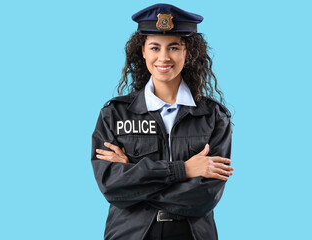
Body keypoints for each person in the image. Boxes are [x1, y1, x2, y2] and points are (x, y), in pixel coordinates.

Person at [91, 3, 234, 240]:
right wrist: (184, 170)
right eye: (155, 47)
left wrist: (133, 180)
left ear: (188, 52)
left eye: (174, 47)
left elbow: (204, 198)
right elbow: (111, 187)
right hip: (129, 234)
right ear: (143, 51)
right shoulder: (114, 114)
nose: (164, 57)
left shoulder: (214, 117)